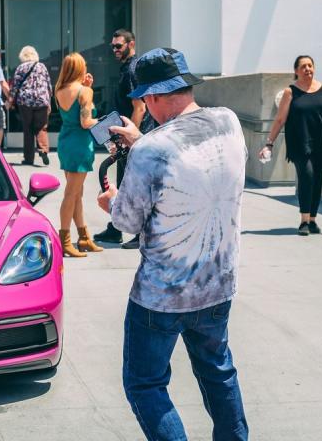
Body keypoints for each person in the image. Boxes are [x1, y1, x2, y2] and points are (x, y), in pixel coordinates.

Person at [96, 47, 249, 441]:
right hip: (217, 285)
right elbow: (192, 158)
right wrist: (144, 139)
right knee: (218, 372)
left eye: (145, 98)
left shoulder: (151, 150)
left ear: (153, 96)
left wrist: (110, 201)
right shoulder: (229, 123)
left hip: (161, 296)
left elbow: (127, 220)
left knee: (146, 384)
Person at [260, 55, 322, 236]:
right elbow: (280, 119)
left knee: (318, 179)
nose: (308, 69)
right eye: (303, 66)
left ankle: (312, 220)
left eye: (310, 66)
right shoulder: (290, 92)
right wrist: (269, 144)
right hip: (300, 142)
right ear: (296, 71)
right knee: (307, 176)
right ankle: (303, 220)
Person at [94, 28, 155, 249]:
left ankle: (138, 234)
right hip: (127, 138)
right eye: (112, 46)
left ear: (131, 44)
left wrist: (131, 140)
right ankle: (117, 227)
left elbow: (139, 107)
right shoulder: (126, 68)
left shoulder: (132, 70)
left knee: (134, 187)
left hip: (133, 138)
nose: (115, 50)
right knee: (123, 185)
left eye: (118, 46)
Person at [54, 52, 104, 258]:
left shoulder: (59, 90)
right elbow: (86, 122)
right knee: (71, 194)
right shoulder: (84, 92)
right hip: (80, 144)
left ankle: (84, 237)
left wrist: (88, 88)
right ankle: (65, 240)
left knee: (76, 193)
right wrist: (104, 121)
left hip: (66, 141)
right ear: (80, 69)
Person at [8, 46, 52, 166]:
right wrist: (49, 99)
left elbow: (15, 86)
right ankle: (43, 150)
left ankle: (28, 158)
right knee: (41, 127)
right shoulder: (41, 66)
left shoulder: (20, 68)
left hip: (25, 101)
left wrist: (10, 100)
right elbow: (48, 84)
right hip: (41, 100)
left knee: (28, 129)